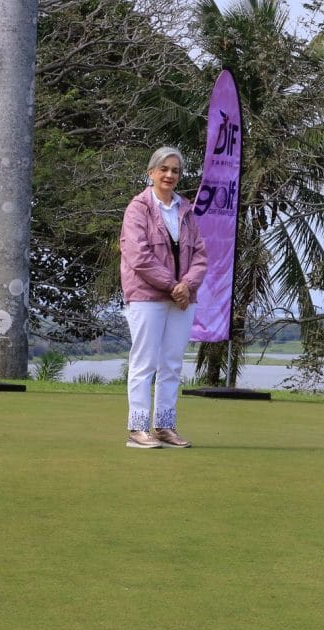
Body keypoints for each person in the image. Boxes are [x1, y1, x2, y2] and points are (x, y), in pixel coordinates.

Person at [119, 146, 208, 449]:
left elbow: (200, 255)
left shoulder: (186, 210)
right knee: (144, 362)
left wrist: (186, 286)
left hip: (181, 298)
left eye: (175, 171)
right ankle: (137, 429)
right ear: (151, 173)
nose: (170, 175)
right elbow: (138, 255)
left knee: (171, 363)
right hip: (146, 296)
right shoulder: (138, 208)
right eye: (164, 169)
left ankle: (164, 427)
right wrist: (173, 285)